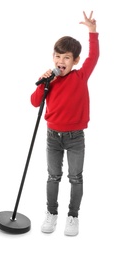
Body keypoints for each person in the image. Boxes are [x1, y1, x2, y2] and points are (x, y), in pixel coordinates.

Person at [30, 11, 99, 236]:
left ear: (75, 60)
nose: (61, 61)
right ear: (53, 56)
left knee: (76, 177)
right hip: (53, 137)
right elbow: (34, 102)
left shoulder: (80, 76)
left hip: (75, 137)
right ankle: (51, 213)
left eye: (67, 57)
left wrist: (92, 32)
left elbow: (94, 56)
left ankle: (73, 216)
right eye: (58, 56)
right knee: (53, 176)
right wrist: (43, 83)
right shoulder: (50, 81)